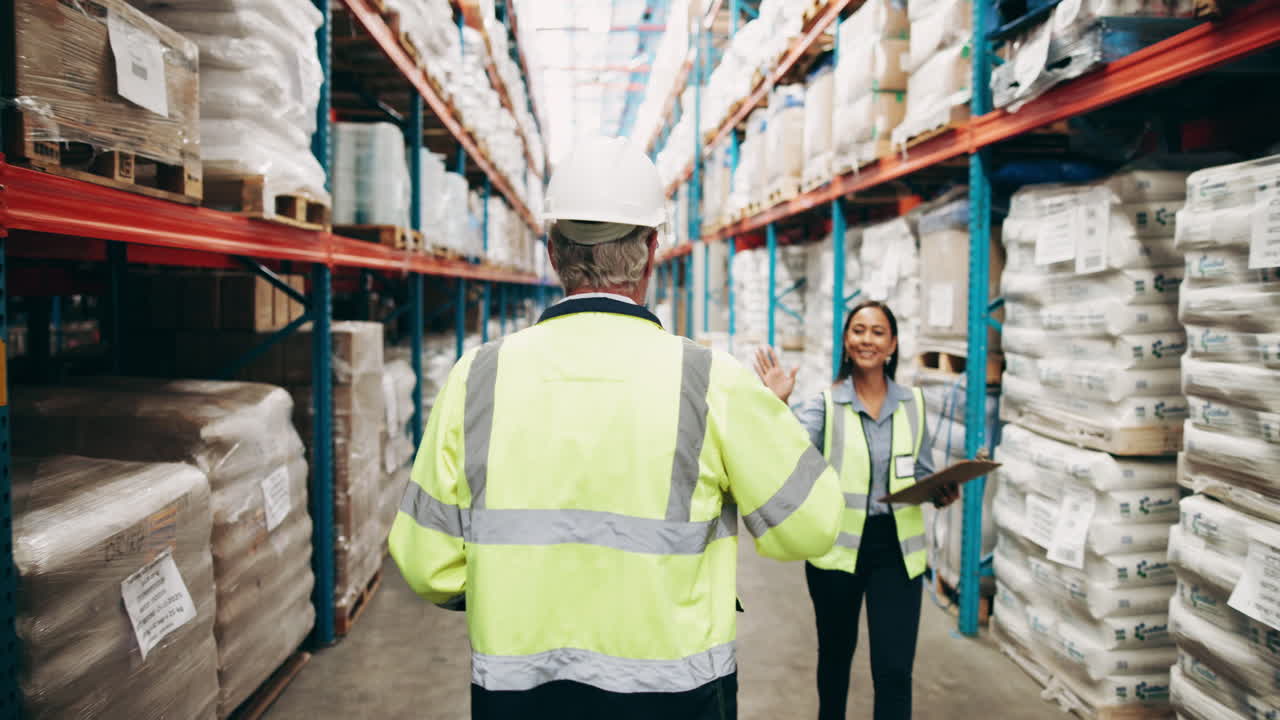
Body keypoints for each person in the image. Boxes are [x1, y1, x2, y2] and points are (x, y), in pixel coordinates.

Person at [389, 136, 845, 720]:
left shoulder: (476, 378)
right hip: (675, 697)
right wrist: (768, 425)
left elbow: (425, 561)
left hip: (519, 694)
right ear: (652, 250)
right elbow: (812, 526)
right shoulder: (711, 381)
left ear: (552, 252)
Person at [753, 300, 960, 720]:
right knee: (835, 662)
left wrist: (939, 491)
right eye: (859, 330)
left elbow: (919, 471)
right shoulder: (827, 405)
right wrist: (777, 405)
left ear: (893, 344)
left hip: (898, 553)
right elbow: (789, 454)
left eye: (878, 332)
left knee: (895, 670)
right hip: (838, 553)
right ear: (847, 342)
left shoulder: (914, 405)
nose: (868, 340)